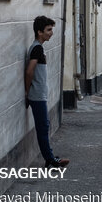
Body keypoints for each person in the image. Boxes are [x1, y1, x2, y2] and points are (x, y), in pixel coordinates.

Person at [25, 16, 69, 168]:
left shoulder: (38, 47)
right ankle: (50, 159)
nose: (51, 33)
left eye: (52, 29)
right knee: (43, 127)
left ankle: (50, 157)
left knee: (44, 126)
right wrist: (27, 91)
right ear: (39, 32)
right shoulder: (37, 48)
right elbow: (30, 71)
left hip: (38, 94)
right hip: (36, 95)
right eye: (48, 30)